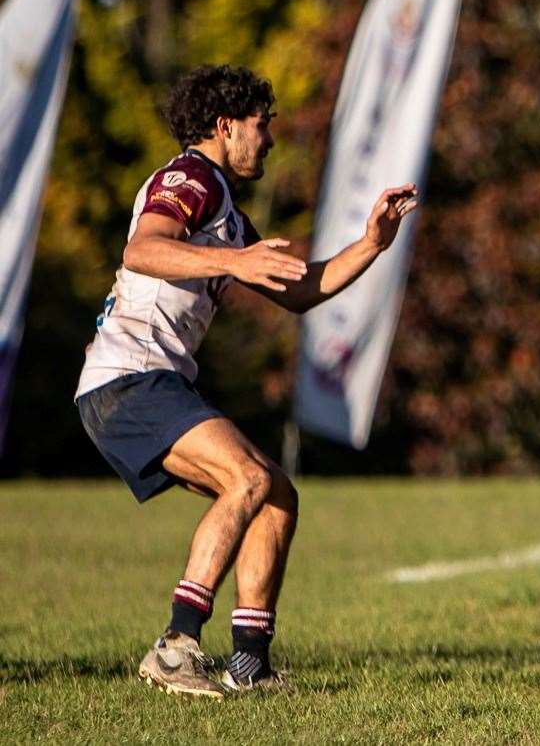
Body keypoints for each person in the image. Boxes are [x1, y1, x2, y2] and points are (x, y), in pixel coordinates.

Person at [75, 64, 419, 698]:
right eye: (263, 126)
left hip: (147, 381)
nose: (270, 139)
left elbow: (302, 289)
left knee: (276, 495)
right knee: (249, 478)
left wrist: (373, 241)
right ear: (225, 125)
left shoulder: (226, 206)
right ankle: (176, 646)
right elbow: (143, 249)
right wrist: (235, 260)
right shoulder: (191, 176)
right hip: (129, 377)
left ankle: (250, 665)